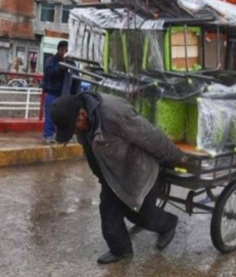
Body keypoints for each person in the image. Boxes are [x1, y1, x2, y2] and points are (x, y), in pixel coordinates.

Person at [50, 92, 185, 264]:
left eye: (74, 128)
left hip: (138, 168)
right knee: (108, 212)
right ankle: (121, 250)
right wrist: (102, 177)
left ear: (82, 114)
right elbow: (91, 154)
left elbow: (149, 136)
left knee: (140, 214)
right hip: (113, 171)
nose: (75, 132)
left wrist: (175, 157)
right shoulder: (83, 123)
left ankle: (168, 224)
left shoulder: (113, 115)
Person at [41, 40, 69, 143]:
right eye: (64, 50)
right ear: (60, 49)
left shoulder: (69, 62)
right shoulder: (51, 60)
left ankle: (61, 136)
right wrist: (60, 68)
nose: (65, 53)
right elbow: (48, 73)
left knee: (63, 116)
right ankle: (48, 135)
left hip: (64, 93)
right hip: (53, 92)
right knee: (50, 114)